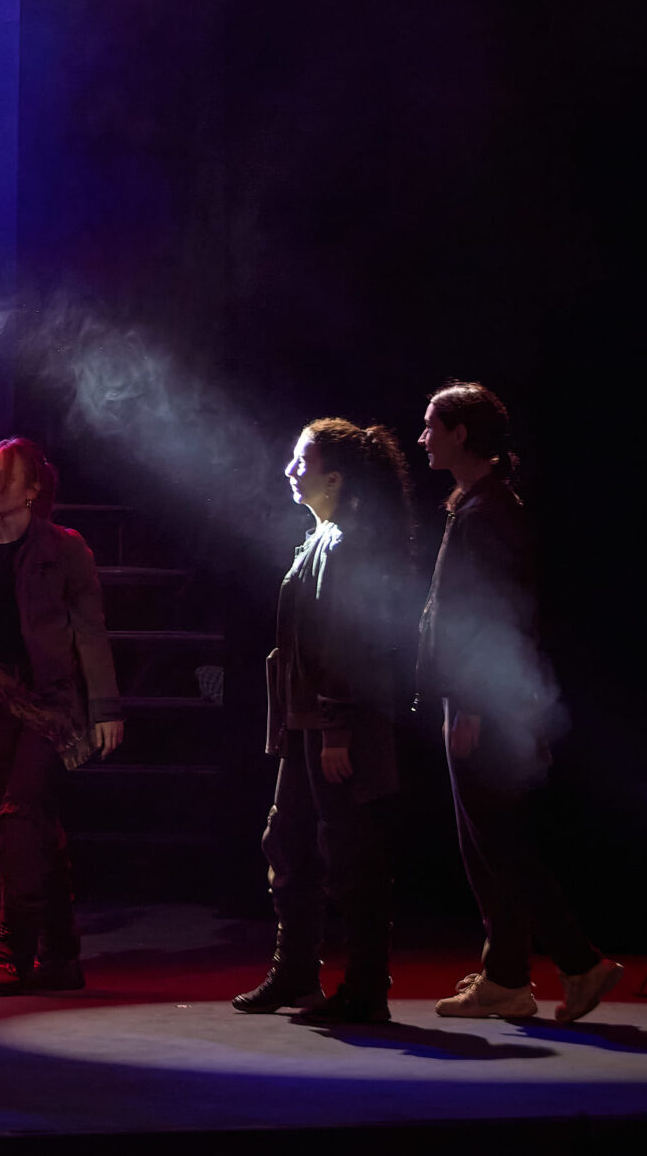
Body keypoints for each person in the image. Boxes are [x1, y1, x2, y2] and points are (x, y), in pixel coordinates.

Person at [415, 382, 620, 1024]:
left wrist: (472, 704)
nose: (423, 438)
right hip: (483, 699)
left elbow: (495, 615)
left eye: (432, 426)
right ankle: (506, 978)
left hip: (485, 702)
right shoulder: (478, 506)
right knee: (487, 847)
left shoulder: (487, 513)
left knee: (500, 843)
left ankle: (579, 963)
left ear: (461, 434)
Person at [233, 420, 420, 1025]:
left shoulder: (348, 544)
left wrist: (335, 729)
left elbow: (348, 644)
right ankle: (295, 972)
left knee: (350, 851)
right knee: (288, 841)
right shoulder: (322, 537)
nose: (291, 470)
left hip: (335, 726)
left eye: (302, 461)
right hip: (307, 724)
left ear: (334, 478)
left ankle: (365, 988)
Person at [0, 438, 122, 996]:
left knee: (19, 820)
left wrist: (105, 708)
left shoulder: (65, 548)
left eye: (2, 475)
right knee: (35, 828)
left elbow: (90, 630)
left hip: (53, 704)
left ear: (33, 487)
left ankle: (11, 949)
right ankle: (62, 955)